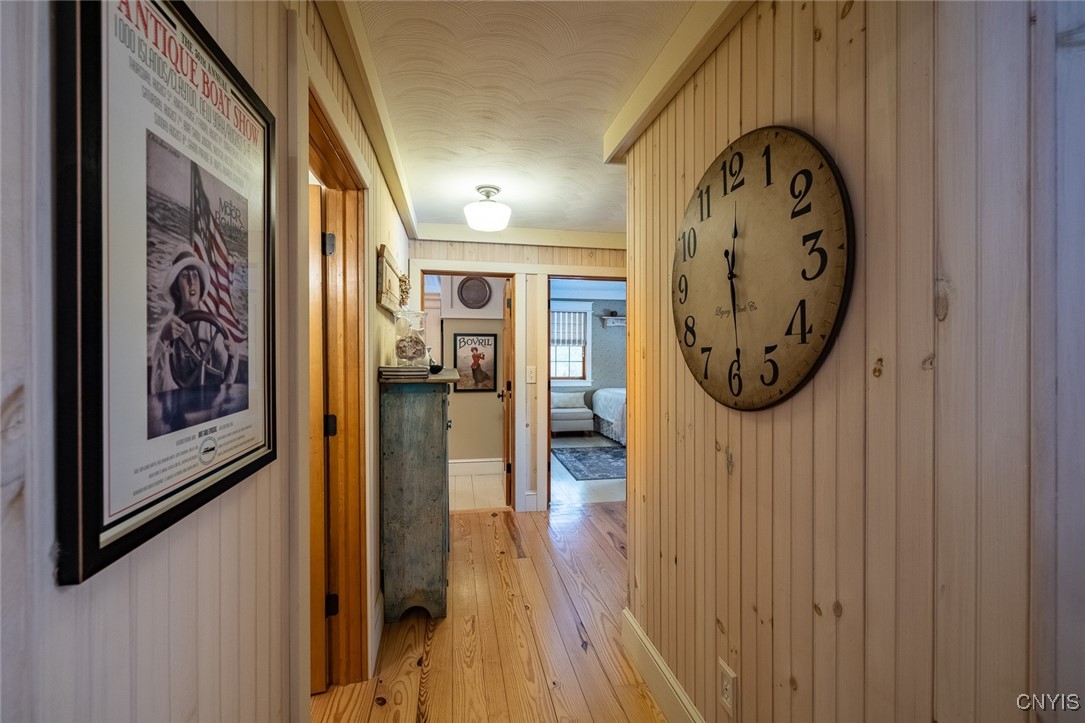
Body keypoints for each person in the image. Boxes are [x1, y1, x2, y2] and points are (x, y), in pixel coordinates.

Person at [150, 248, 237, 393]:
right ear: (176, 288)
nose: (191, 282)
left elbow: (226, 379)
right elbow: (161, 388)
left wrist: (232, 355)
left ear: (201, 284)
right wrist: (163, 339)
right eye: (185, 276)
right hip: (178, 400)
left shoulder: (214, 327)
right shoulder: (168, 328)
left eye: (195, 275)